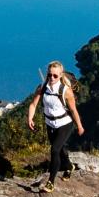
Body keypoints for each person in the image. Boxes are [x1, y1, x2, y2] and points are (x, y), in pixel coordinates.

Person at [24, 61, 84, 189]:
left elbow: (73, 110)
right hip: (50, 123)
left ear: (61, 75)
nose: (52, 78)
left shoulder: (66, 91)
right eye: (50, 75)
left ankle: (50, 182)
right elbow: (33, 104)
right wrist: (30, 118)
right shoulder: (42, 87)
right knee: (60, 150)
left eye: (55, 76)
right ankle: (69, 166)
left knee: (54, 150)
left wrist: (79, 125)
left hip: (65, 124)